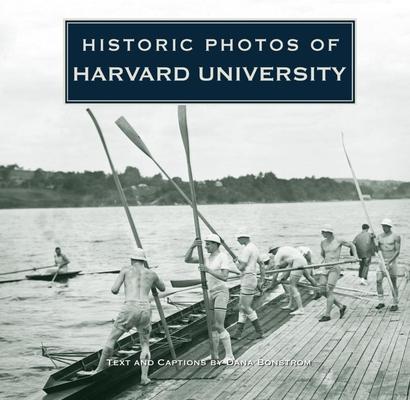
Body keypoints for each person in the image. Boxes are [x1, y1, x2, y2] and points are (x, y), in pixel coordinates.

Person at [78, 249, 165, 385]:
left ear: (132, 260)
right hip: (146, 308)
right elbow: (163, 288)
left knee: (112, 339)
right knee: (145, 344)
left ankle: (100, 369)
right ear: (144, 261)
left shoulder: (126, 270)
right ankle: (144, 378)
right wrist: (151, 282)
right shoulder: (152, 273)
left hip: (130, 307)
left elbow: (114, 290)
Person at [184, 234, 235, 364]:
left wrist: (207, 270)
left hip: (221, 292)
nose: (205, 246)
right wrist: (193, 246)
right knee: (212, 326)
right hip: (210, 293)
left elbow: (224, 277)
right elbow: (187, 260)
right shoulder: (206, 257)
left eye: (207, 244)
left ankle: (230, 356)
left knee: (219, 325)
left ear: (215, 244)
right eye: (205, 244)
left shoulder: (222, 256)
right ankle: (214, 355)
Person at [318, 224, 358, 322]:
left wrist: (355, 256)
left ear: (329, 232)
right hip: (325, 267)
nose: (322, 233)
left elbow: (352, 245)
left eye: (324, 232)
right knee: (322, 290)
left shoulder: (338, 240)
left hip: (334, 268)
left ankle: (327, 315)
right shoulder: (323, 242)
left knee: (329, 290)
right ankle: (341, 306)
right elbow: (323, 254)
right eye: (322, 231)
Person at [231, 233, 265, 339]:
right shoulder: (254, 247)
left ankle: (259, 331)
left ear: (244, 237)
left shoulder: (247, 249)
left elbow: (241, 268)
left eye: (238, 238)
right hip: (251, 279)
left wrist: (236, 262)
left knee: (246, 307)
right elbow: (262, 263)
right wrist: (262, 279)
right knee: (242, 307)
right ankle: (238, 333)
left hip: (247, 279)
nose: (237, 240)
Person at [268, 246, 309, 315]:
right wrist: (283, 278)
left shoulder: (278, 255)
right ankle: (291, 305)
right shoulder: (286, 250)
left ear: (275, 250)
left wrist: (272, 284)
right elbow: (289, 266)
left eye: (272, 252)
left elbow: (276, 271)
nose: (272, 254)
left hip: (298, 262)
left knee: (293, 285)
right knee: (291, 284)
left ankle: (301, 309)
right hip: (300, 261)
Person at [375, 218, 401, 311]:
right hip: (381, 261)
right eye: (383, 226)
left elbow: (397, 251)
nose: (384, 228)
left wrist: (389, 261)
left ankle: (395, 303)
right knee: (378, 281)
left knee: (393, 282)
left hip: (392, 261)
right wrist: (374, 243)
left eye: (386, 226)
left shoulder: (396, 236)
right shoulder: (379, 236)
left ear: (389, 227)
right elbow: (376, 249)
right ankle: (381, 302)